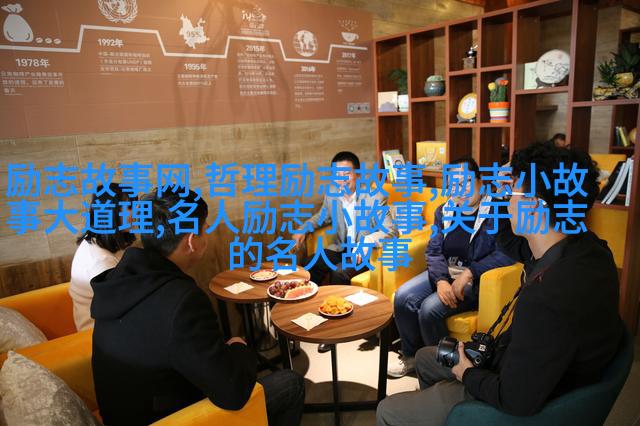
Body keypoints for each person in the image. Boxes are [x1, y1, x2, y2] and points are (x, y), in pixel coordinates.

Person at [376, 142, 624, 425]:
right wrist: (504, 192)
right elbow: (509, 243)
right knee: (424, 357)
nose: (507, 201)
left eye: (513, 190)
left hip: (514, 401)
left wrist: (466, 373)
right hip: (533, 368)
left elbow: (514, 397)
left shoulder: (548, 295)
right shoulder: (587, 249)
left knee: (388, 410)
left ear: (532, 204)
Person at [91, 188, 304, 425]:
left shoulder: (119, 279)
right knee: (290, 384)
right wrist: (239, 347)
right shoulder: (182, 301)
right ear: (191, 241)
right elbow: (233, 393)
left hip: (123, 413)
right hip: (172, 417)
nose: (207, 234)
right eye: (205, 229)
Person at [388, 157, 514, 378]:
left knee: (429, 309)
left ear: (480, 181)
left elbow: (505, 254)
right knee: (402, 297)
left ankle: (444, 370)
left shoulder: (497, 210)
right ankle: (412, 357)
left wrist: (470, 272)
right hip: (445, 272)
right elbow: (433, 250)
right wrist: (441, 281)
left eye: (466, 182)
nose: (461, 190)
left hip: (477, 280)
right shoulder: (444, 211)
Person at [292, 151, 397, 353]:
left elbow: (391, 231)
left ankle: (333, 329)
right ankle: (311, 314)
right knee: (309, 263)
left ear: (357, 174)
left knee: (339, 272)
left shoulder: (375, 197)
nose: (342, 179)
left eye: (346, 173)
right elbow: (321, 217)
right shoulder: (332, 194)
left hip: (364, 253)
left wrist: (367, 241)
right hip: (341, 248)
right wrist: (303, 228)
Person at [69, 183, 136, 331]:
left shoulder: (97, 240)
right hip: (96, 331)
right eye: (130, 207)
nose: (137, 211)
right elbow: (122, 306)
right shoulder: (101, 261)